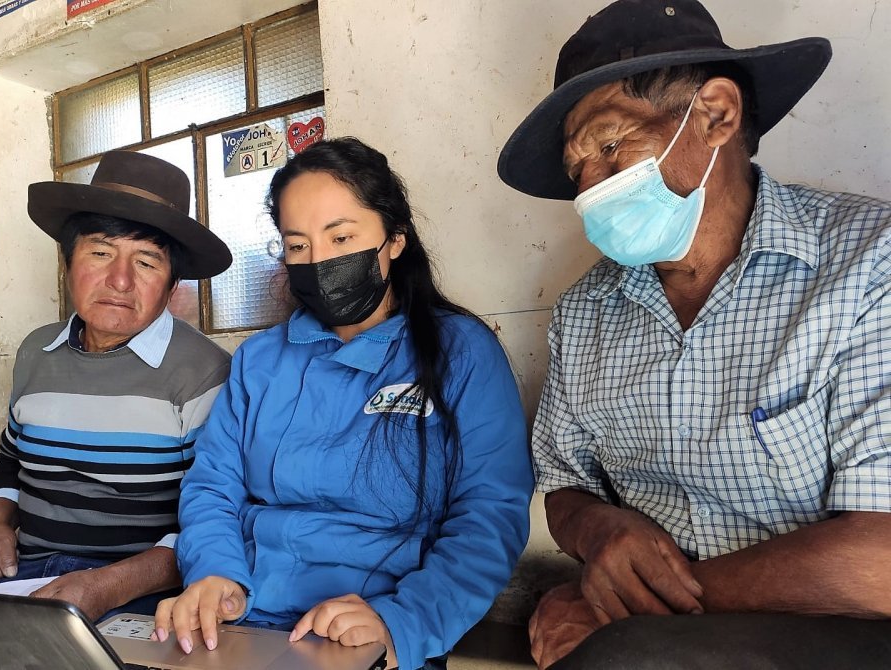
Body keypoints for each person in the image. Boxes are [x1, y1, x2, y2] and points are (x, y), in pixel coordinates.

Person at [497, 0, 891, 667]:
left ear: (716, 114)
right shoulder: (585, 312)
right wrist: (599, 533)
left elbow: (879, 561)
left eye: (609, 143)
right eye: (576, 170)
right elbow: (563, 485)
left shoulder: (868, 266)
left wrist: (628, 616)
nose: (589, 187)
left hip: (835, 632)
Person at [152, 137, 534, 669]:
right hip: (244, 622)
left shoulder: (460, 352)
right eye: (298, 245)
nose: (319, 260)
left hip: (377, 634)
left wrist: (401, 621)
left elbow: (490, 514)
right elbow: (213, 484)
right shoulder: (259, 360)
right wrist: (216, 574)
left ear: (395, 239)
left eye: (342, 236)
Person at [0, 151, 234, 621]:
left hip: (144, 595)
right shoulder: (35, 352)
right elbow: (12, 457)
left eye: (147, 261)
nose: (120, 280)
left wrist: (105, 586)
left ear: (172, 286)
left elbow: (214, 518)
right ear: (69, 263)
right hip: (31, 580)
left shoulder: (204, 373)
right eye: (101, 252)